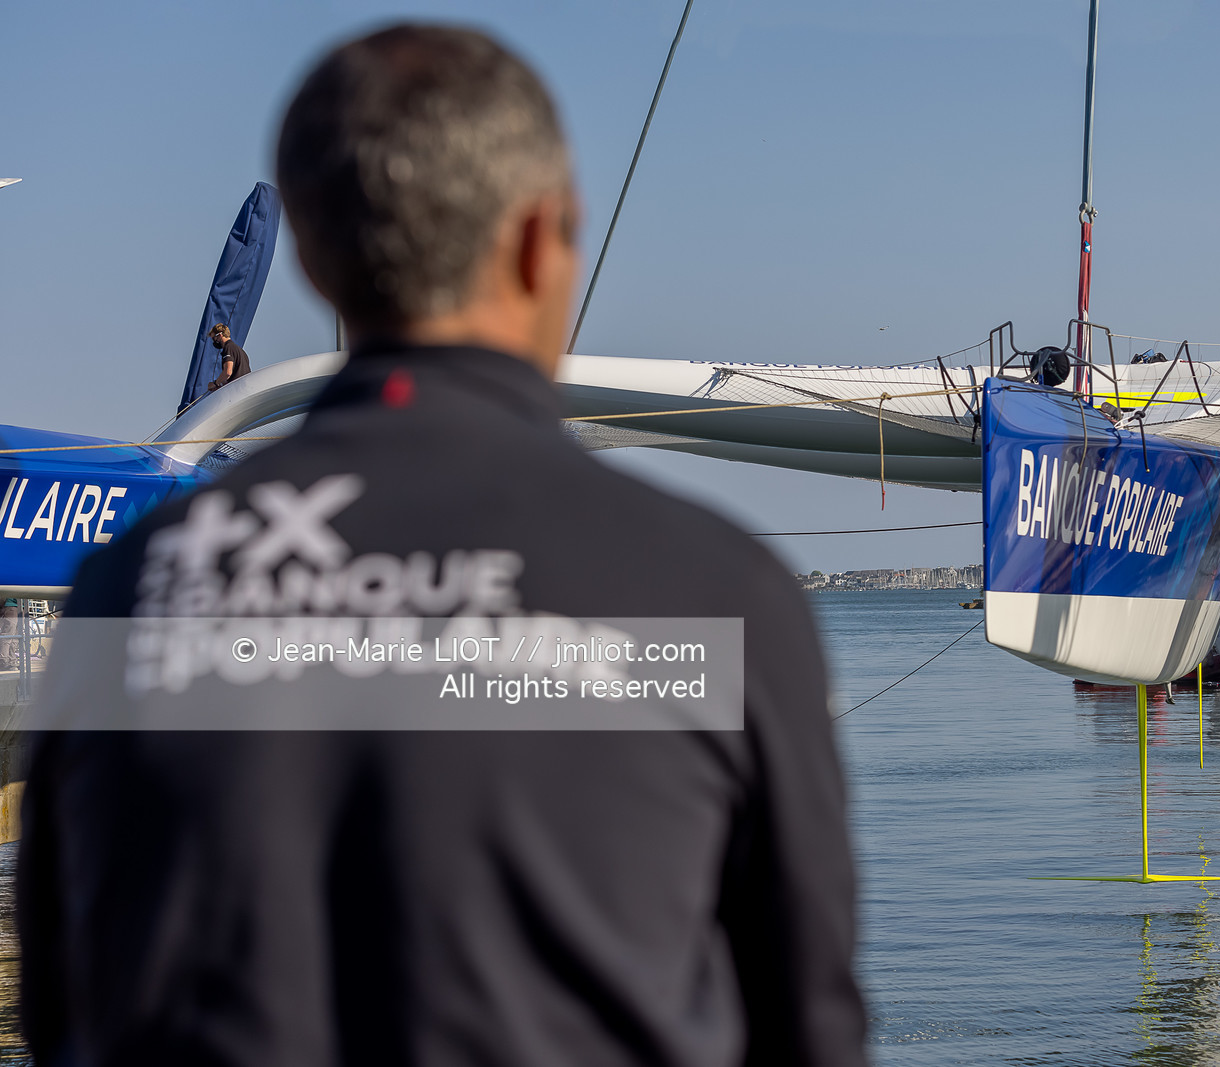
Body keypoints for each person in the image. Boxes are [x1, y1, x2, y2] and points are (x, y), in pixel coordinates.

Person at [20, 24, 866, 1067]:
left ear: (314, 255)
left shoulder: (132, 590)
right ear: (535, 240)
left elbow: (69, 1000)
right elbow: (810, 1028)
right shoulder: (716, 596)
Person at [206, 323, 252, 391]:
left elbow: (227, 372)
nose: (214, 341)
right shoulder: (239, 350)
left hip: (237, 390)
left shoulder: (228, 348)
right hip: (246, 388)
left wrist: (215, 383)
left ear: (220, 335)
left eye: (214, 338)